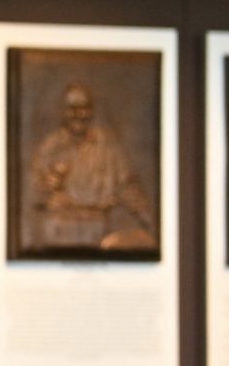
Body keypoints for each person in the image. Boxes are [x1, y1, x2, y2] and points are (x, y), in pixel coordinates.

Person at [24, 82, 155, 253]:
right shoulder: (49, 148)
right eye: (73, 108)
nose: (79, 114)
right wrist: (45, 191)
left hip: (101, 234)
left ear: (91, 111)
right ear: (63, 112)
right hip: (59, 238)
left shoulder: (108, 146)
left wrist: (151, 224)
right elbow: (31, 196)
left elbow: (130, 188)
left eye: (84, 107)